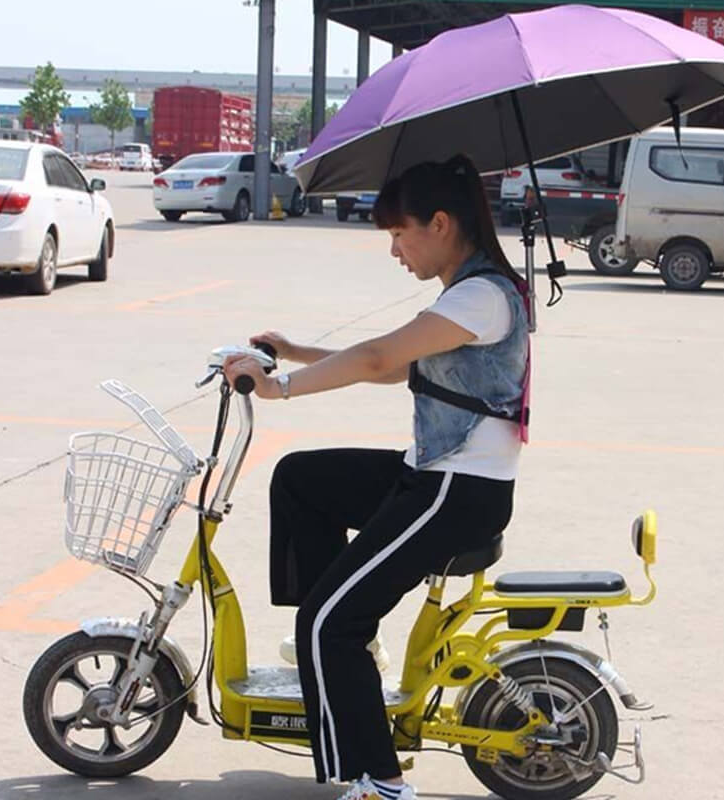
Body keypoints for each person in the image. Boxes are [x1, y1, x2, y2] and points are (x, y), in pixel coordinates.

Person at [223, 154, 530, 800]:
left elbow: (379, 356)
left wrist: (278, 389)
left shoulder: (481, 295)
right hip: (436, 478)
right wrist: (299, 349)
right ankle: (342, 638)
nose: (395, 250)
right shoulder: (467, 293)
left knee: (327, 627)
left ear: (440, 224)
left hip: (457, 492)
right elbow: (397, 367)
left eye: (399, 233)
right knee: (302, 479)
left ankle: (379, 784)